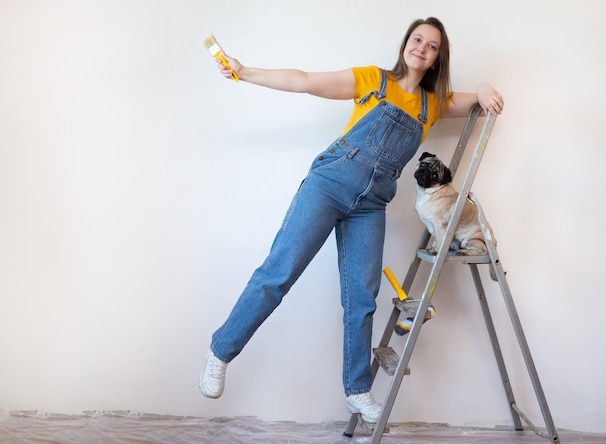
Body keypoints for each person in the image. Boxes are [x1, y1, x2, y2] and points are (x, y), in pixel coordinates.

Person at [200, 17, 504, 424]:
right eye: (417, 40)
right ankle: (221, 350)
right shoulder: (374, 80)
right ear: (406, 44)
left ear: (436, 59)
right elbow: (305, 80)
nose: (422, 49)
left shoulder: (434, 104)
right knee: (279, 273)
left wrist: (484, 88)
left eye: (431, 47)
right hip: (328, 185)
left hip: (371, 205)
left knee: (362, 298)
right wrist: (245, 70)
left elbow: (476, 100)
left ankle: (357, 390)